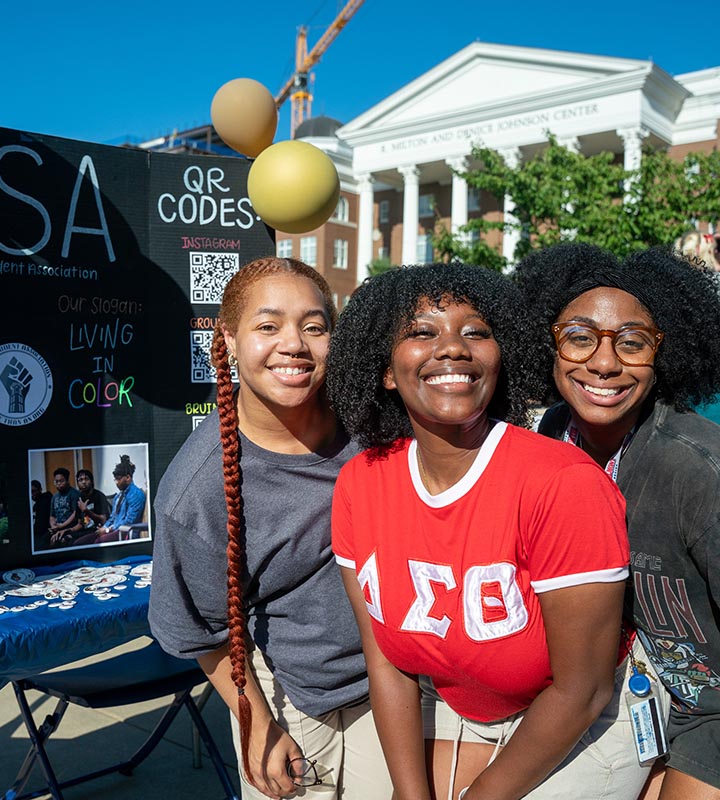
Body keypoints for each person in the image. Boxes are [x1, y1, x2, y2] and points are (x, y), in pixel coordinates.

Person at [326, 262, 661, 800]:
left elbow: (584, 688)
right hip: (463, 707)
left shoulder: (565, 484)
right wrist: (410, 794)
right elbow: (385, 658)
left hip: (587, 717)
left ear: (500, 359)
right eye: (421, 332)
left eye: (476, 331)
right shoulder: (359, 484)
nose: (454, 348)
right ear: (385, 370)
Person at [149, 257, 392, 800]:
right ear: (229, 340)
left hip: (396, 688)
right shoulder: (198, 489)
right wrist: (258, 722)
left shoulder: (374, 425)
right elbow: (197, 631)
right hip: (295, 706)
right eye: (268, 326)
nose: (294, 344)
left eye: (314, 326)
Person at [515, 243, 720, 799]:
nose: (604, 364)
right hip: (618, 691)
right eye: (580, 337)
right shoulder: (551, 433)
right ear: (547, 344)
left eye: (632, 343)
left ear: (667, 353)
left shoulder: (697, 469)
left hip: (709, 710)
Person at [73, 455, 145, 546]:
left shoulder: (136, 494)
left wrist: (108, 530)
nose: (116, 482)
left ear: (128, 478)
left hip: (124, 532)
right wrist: (104, 528)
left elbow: (129, 521)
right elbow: (112, 518)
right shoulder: (119, 496)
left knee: (97, 543)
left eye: (118, 479)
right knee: (79, 543)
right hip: (114, 530)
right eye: (115, 479)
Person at [47, 468, 80, 547]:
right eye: (56, 481)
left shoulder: (74, 494)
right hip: (57, 528)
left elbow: (75, 514)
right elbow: (52, 515)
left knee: (61, 541)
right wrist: (53, 525)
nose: (58, 484)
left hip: (70, 529)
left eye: (61, 481)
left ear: (67, 480)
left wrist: (62, 526)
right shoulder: (54, 497)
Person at [30, 480, 52, 549]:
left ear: (40, 490)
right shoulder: (37, 504)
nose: (32, 494)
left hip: (46, 533)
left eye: (33, 491)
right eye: (30, 492)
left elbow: (41, 525)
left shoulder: (44, 502)